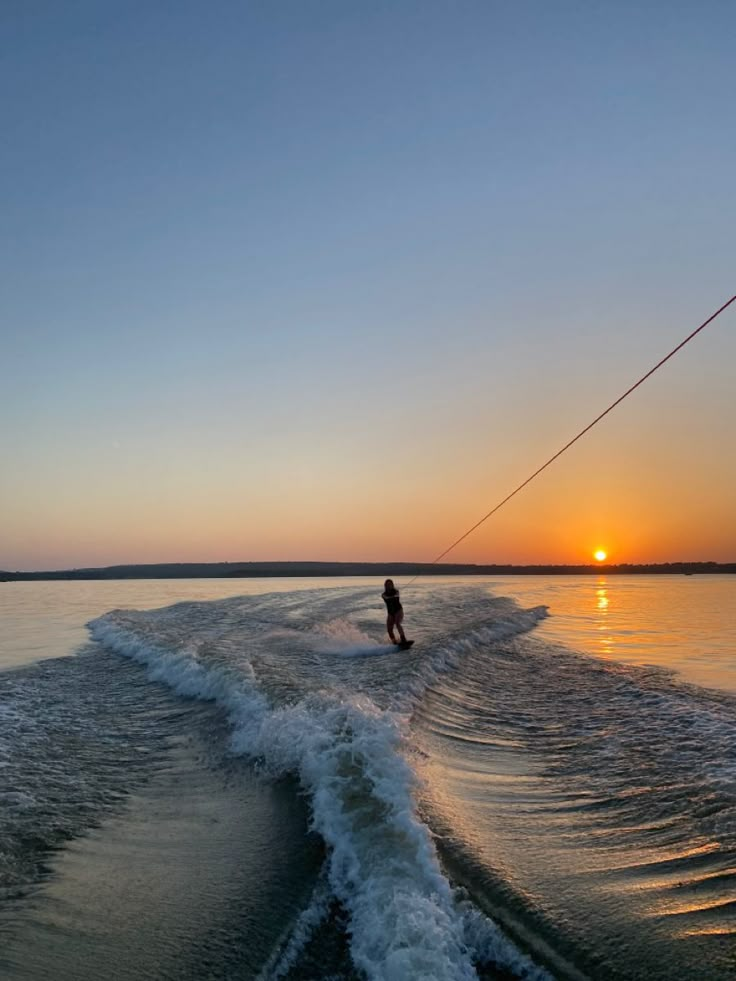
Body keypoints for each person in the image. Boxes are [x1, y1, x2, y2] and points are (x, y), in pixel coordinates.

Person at [382, 579, 407, 645]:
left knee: (397, 623)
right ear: (385, 586)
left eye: (390, 584)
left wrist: (394, 596)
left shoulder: (396, 592)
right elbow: (386, 598)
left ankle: (403, 639)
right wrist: (392, 597)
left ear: (392, 585)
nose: (389, 586)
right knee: (389, 629)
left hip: (398, 611)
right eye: (387, 585)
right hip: (390, 613)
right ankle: (394, 642)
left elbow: (396, 596)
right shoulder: (383, 595)